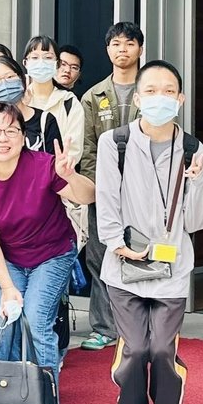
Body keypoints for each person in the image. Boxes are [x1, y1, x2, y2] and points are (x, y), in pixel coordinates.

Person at [95, 60, 203, 404]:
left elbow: (196, 222)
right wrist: (117, 244)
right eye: (151, 90)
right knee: (135, 349)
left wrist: (196, 182)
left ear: (180, 98)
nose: (159, 98)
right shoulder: (115, 143)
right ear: (138, 98)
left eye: (168, 91)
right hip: (124, 268)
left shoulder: (195, 149)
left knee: (162, 349)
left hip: (171, 269)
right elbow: (106, 201)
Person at [0, 104, 95, 404]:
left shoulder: (45, 166)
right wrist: (8, 287)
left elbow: (88, 196)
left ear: (24, 137)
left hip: (52, 254)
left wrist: (71, 175)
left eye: (11, 131)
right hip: (8, 259)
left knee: (37, 320)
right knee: (4, 323)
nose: (2, 138)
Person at [79, 22, 145, 352]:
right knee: (100, 257)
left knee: (141, 254)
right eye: (116, 44)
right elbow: (87, 146)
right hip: (103, 191)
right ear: (107, 50)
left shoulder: (152, 89)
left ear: (140, 49)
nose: (122, 49)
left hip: (143, 190)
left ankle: (140, 324)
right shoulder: (93, 96)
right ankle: (104, 327)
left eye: (129, 43)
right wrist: (98, 187)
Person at [0, 56, 63, 153]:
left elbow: (54, 160)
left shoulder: (45, 120)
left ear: (22, 79)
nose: (4, 84)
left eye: (10, 77)